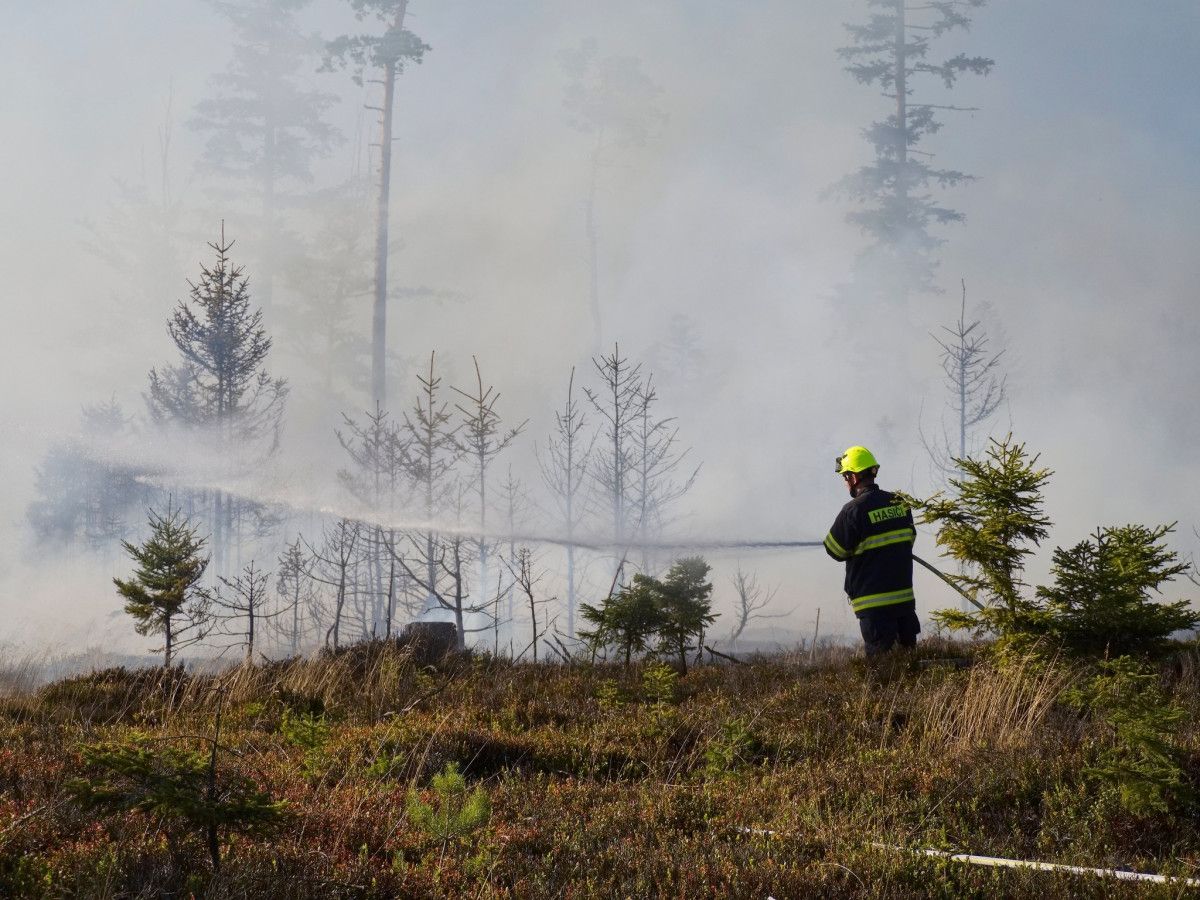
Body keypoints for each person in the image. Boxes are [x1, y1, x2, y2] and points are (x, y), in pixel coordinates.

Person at [823, 445, 920, 657]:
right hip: (904, 603)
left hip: (875, 608)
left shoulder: (853, 510)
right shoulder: (900, 503)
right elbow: (910, 538)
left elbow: (834, 550)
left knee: (881, 668)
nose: (845, 482)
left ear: (853, 477)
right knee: (909, 662)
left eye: (845, 477)